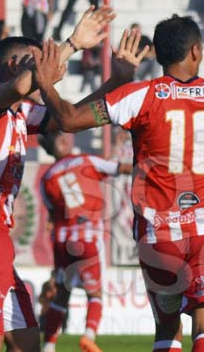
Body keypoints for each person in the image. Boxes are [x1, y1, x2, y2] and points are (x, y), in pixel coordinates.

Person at [31, 15, 204, 352]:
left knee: (167, 326)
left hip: (159, 236)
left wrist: (45, 83)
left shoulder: (140, 95)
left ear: (155, 54)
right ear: (196, 51)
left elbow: (67, 120)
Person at [0, 6, 132, 351]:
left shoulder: (21, 113)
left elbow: (71, 116)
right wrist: (71, 43)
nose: (52, 69)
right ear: (14, 66)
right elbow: (27, 84)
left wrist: (117, 81)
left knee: (27, 343)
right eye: (40, 60)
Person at [38, 131, 131, 352]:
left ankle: (48, 346)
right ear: (64, 140)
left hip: (62, 239)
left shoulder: (47, 178)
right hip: (87, 235)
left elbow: (52, 216)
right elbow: (119, 167)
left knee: (61, 294)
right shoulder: (87, 161)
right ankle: (89, 336)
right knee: (95, 293)